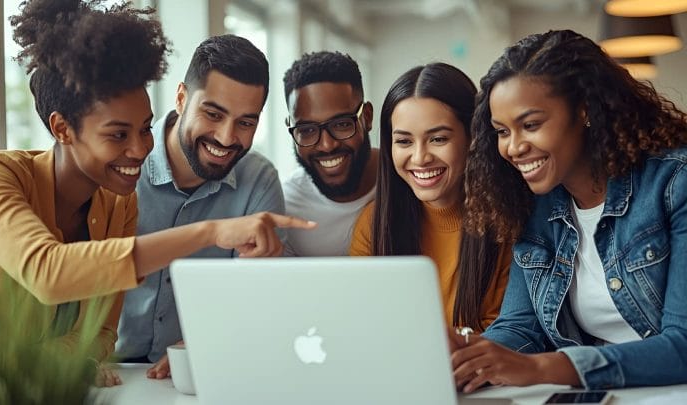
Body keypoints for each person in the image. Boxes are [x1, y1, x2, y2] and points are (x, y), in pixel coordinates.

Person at [0, 0, 313, 388]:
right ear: (62, 129)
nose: (139, 149)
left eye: (145, 128)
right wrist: (211, 231)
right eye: (118, 134)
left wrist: (59, 363)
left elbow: (100, 334)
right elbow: (49, 271)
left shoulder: (117, 203)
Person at [451, 29, 687, 392]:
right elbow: (521, 327)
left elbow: (682, 345)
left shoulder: (674, 185)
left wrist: (544, 368)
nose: (513, 148)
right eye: (501, 131)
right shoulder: (536, 207)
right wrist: (470, 358)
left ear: (585, 111)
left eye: (530, 125)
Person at [114, 34, 298, 378]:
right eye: (213, 114)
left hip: (196, 373)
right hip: (107, 370)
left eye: (246, 122)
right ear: (182, 98)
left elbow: (260, 297)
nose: (227, 138)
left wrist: (206, 340)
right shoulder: (120, 165)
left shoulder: (258, 180)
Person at [350, 63, 511, 332]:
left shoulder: (506, 221)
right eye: (404, 141)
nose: (420, 158)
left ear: (473, 137)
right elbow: (364, 324)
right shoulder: (374, 224)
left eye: (437, 139)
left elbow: (507, 334)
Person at [281, 51, 378, 256]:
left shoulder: (407, 181)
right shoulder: (284, 207)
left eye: (342, 124)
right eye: (307, 130)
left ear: (367, 117)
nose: (327, 145)